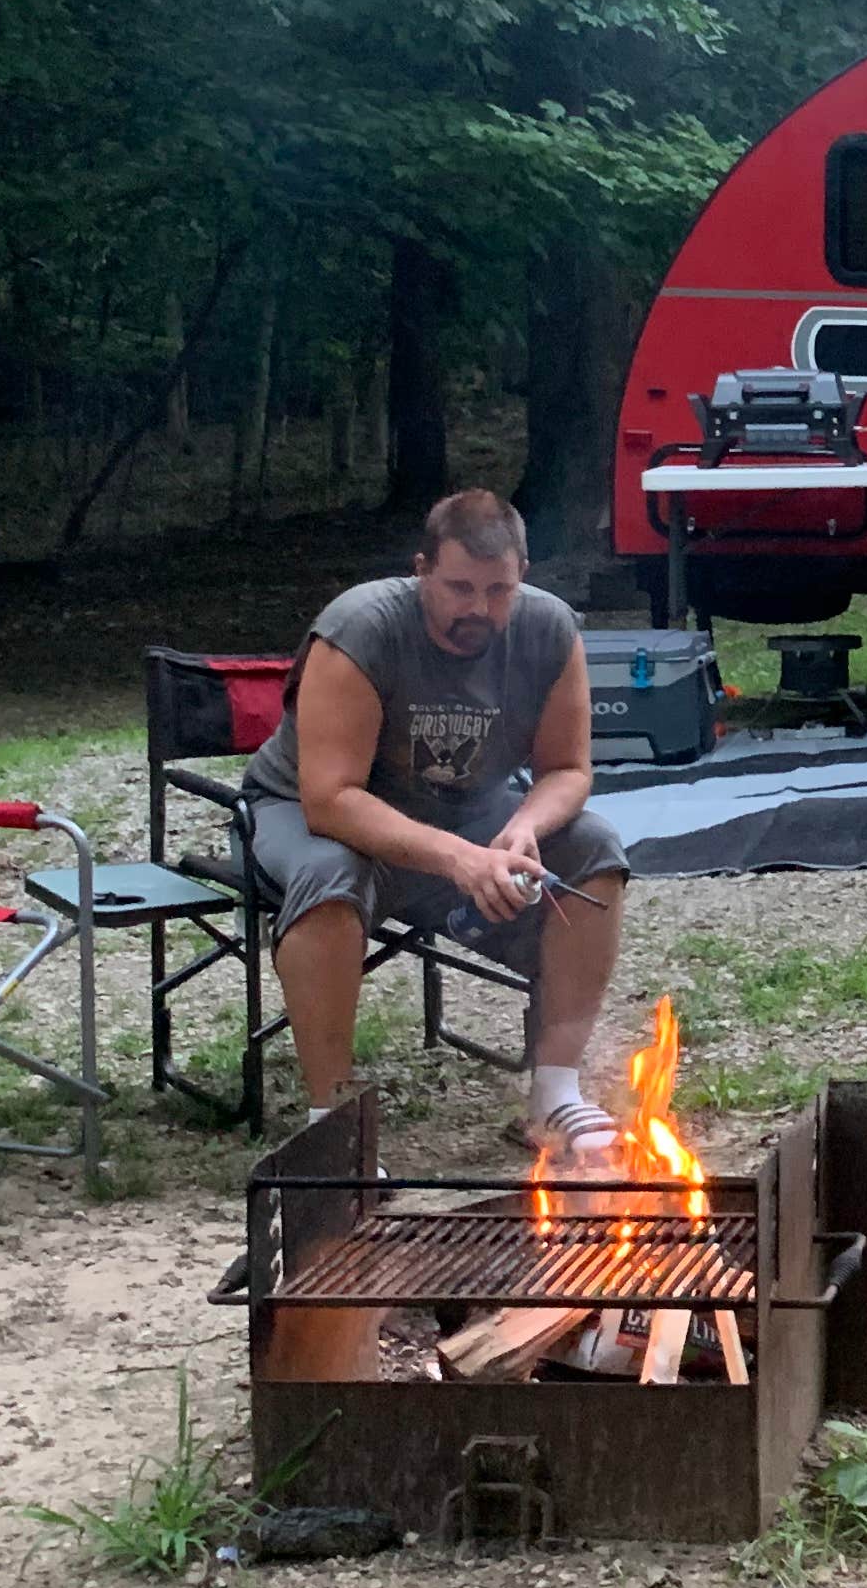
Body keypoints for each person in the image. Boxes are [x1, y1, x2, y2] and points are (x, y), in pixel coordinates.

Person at [239, 488, 631, 1162]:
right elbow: (330, 799)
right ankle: (331, 1124)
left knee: (594, 846)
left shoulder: (549, 629)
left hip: (465, 815)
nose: (477, 609)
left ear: (523, 577)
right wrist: (459, 859)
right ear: (422, 570)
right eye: (457, 588)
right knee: (328, 876)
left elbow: (568, 768)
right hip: (311, 815)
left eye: (497, 591)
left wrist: (523, 829)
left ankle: (554, 1094)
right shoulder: (361, 629)